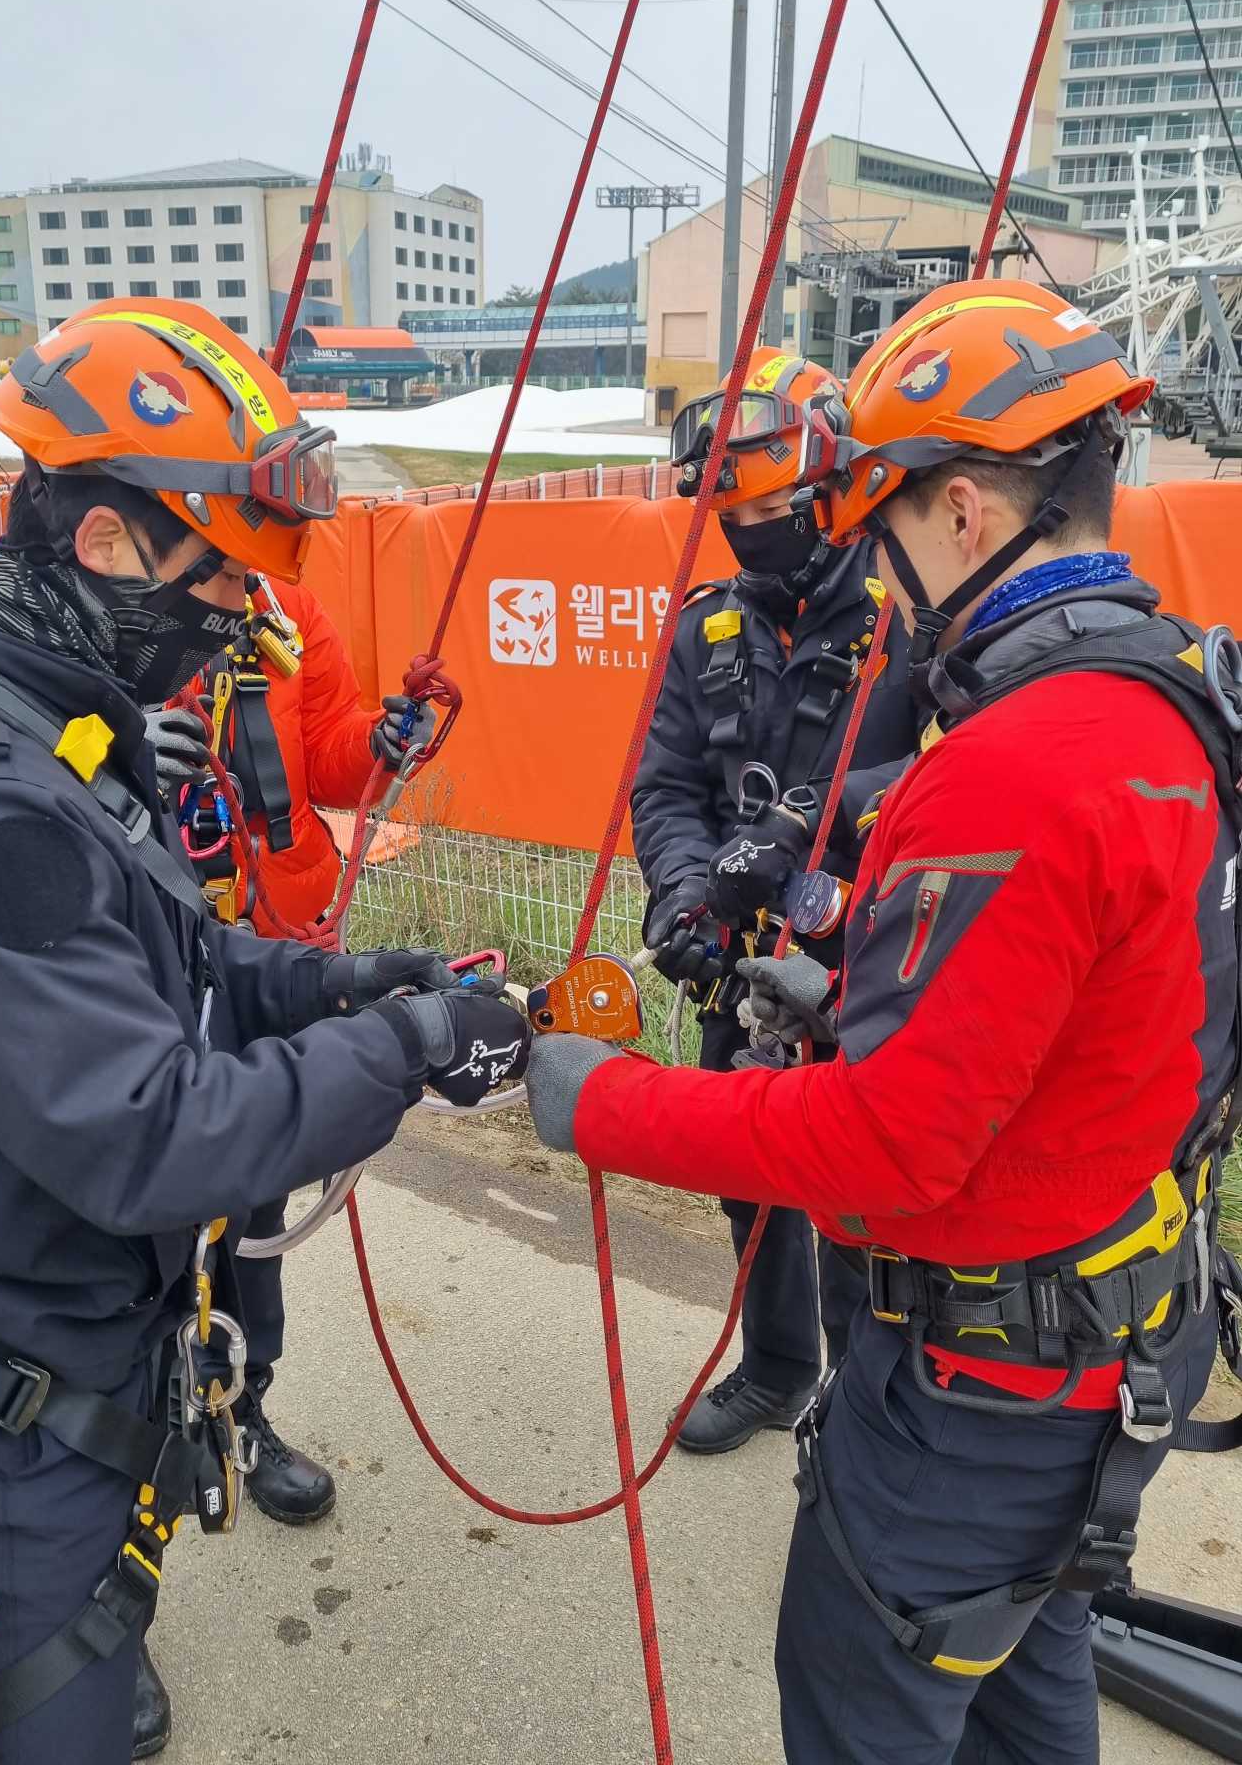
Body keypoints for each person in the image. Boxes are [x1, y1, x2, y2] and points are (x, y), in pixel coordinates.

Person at [0, 299, 533, 1765]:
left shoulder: (41, 728)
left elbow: (167, 958)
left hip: (79, 1363)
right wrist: (410, 1048)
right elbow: (154, 1133)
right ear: (108, 543)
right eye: (222, 583)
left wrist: (347, 981)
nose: (235, 620)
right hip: (10, 1434)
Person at [525, 280, 1240, 1764]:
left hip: (977, 1394)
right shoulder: (1185, 693)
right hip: (1111, 1330)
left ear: (963, 513)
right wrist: (856, 966)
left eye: (886, 526)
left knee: (872, 1700)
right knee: (1030, 1685)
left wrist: (592, 1098)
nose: (883, 577)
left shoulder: (1016, 759)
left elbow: (887, 1145)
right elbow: (1100, 992)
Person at [633, 346, 918, 1452]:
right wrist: (686, 895)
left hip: (868, 960)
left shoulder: (912, 619)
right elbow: (667, 786)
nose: (753, 534)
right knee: (748, 1177)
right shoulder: (710, 628)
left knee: (859, 1200)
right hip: (746, 964)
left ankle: (864, 1405)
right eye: (733, 516)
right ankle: (779, 1367)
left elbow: (962, 778)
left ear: (833, 488)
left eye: (774, 510)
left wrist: (817, 828)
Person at [143, 577, 437, 1528]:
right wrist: (122, 746)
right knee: (146, 1202)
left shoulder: (285, 615)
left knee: (255, 1196)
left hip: (273, 942)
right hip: (148, 950)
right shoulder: (105, 596)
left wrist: (381, 745)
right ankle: (132, 1434)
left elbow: (330, 757)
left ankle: (242, 1408)